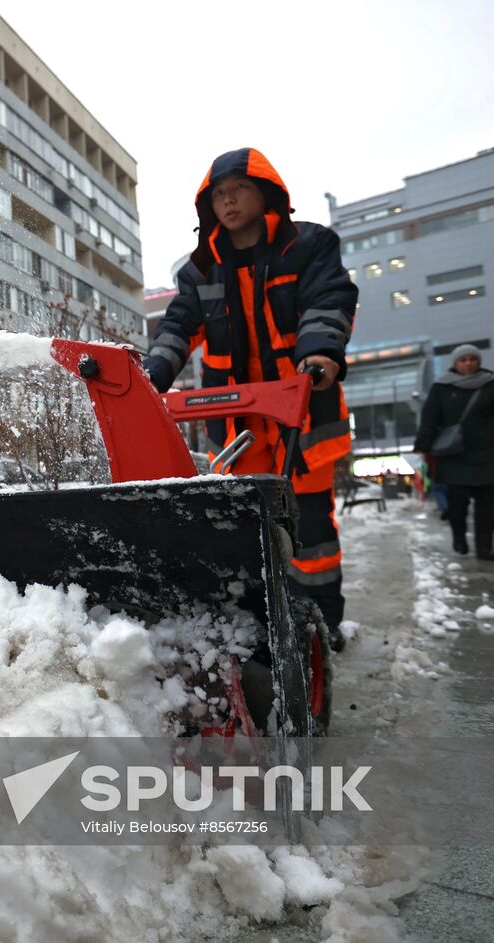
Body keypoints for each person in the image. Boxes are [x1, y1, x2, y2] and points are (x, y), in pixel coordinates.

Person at [143, 148, 358, 651]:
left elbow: (328, 301)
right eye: (218, 194)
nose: (228, 200)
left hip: (302, 410)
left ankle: (321, 624)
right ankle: (260, 622)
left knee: (311, 528)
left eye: (237, 188)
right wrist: (154, 372)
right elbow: (179, 325)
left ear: (266, 194)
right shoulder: (202, 270)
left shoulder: (309, 247)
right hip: (238, 423)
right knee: (245, 525)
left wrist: (322, 354)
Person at [413, 345, 494, 560]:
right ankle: (459, 537)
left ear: (478, 361)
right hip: (454, 454)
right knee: (457, 504)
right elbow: (430, 420)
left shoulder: (491, 386)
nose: (468, 363)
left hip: (488, 452)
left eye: (473, 359)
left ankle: (484, 547)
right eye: (463, 360)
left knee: (487, 505)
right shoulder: (441, 387)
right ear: (455, 363)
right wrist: (423, 446)